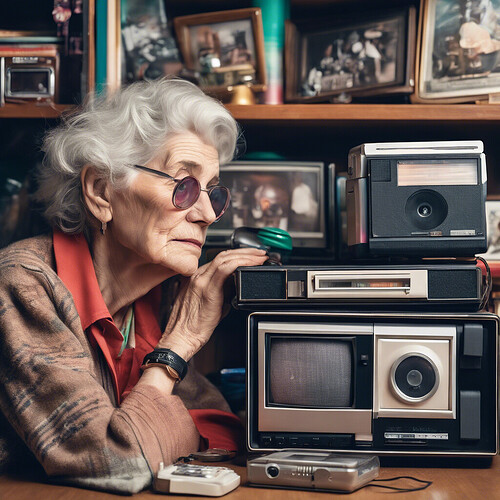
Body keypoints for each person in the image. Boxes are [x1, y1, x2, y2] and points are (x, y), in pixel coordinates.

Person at [0, 77, 268, 493]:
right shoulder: (22, 286)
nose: (207, 214)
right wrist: (177, 347)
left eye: (213, 193)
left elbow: (222, 433)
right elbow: (118, 462)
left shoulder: (150, 302)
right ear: (101, 191)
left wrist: (145, 429)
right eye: (184, 185)